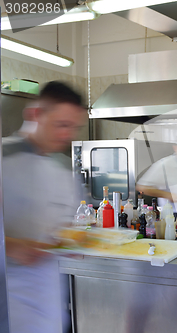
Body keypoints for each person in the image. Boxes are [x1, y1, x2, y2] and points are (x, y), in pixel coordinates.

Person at [2, 81, 87, 333]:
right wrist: (12, 245)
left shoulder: (62, 170)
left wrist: (71, 240)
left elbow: (62, 229)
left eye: (74, 127)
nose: (67, 135)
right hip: (8, 300)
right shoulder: (4, 158)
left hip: (47, 299)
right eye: (61, 125)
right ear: (36, 114)